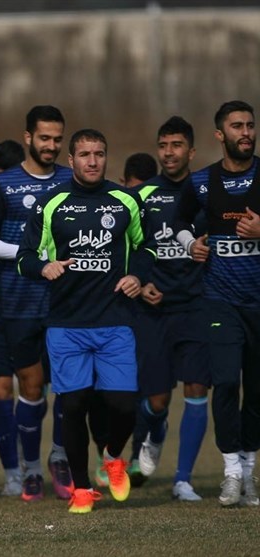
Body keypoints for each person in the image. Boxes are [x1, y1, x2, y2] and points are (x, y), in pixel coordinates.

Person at [17, 128, 156, 514]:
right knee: (74, 405)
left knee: (124, 407)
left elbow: (146, 246)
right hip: (66, 324)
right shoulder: (51, 203)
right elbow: (25, 256)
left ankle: (112, 456)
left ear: (106, 157)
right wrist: (43, 267)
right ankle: (81, 489)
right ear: (71, 160)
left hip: (116, 320)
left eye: (99, 154)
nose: (93, 161)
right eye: (84, 154)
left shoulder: (125, 201)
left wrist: (137, 275)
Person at [0, 105, 73, 501]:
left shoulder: (71, 179)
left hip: (67, 303)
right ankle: (31, 468)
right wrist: (31, 255)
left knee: (70, 388)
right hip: (19, 302)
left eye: (57, 139)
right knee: (32, 386)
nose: (51, 145)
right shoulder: (3, 185)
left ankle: (60, 456)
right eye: (44, 138)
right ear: (28, 137)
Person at [174, 100, 260, 508]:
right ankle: (231, 473)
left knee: (256, 390)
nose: (246, 133)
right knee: (225, 382)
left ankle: (249, 471)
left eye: (250, 125)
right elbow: (176, 222)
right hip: (219, 301)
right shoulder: (202, 182)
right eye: (237, 126)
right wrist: (190, 244)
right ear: (220, 134)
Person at [124, 116, 210, 501]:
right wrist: (140, 283)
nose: (169, 152)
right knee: (157, 400)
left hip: (196, 306)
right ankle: (155, 434)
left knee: (196, 388)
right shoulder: (141, 196)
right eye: (163, 145)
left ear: (191, 151)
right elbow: (123, 247)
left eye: (177, 145)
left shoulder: (207, 191)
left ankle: (183, 480)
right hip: (153, 311)